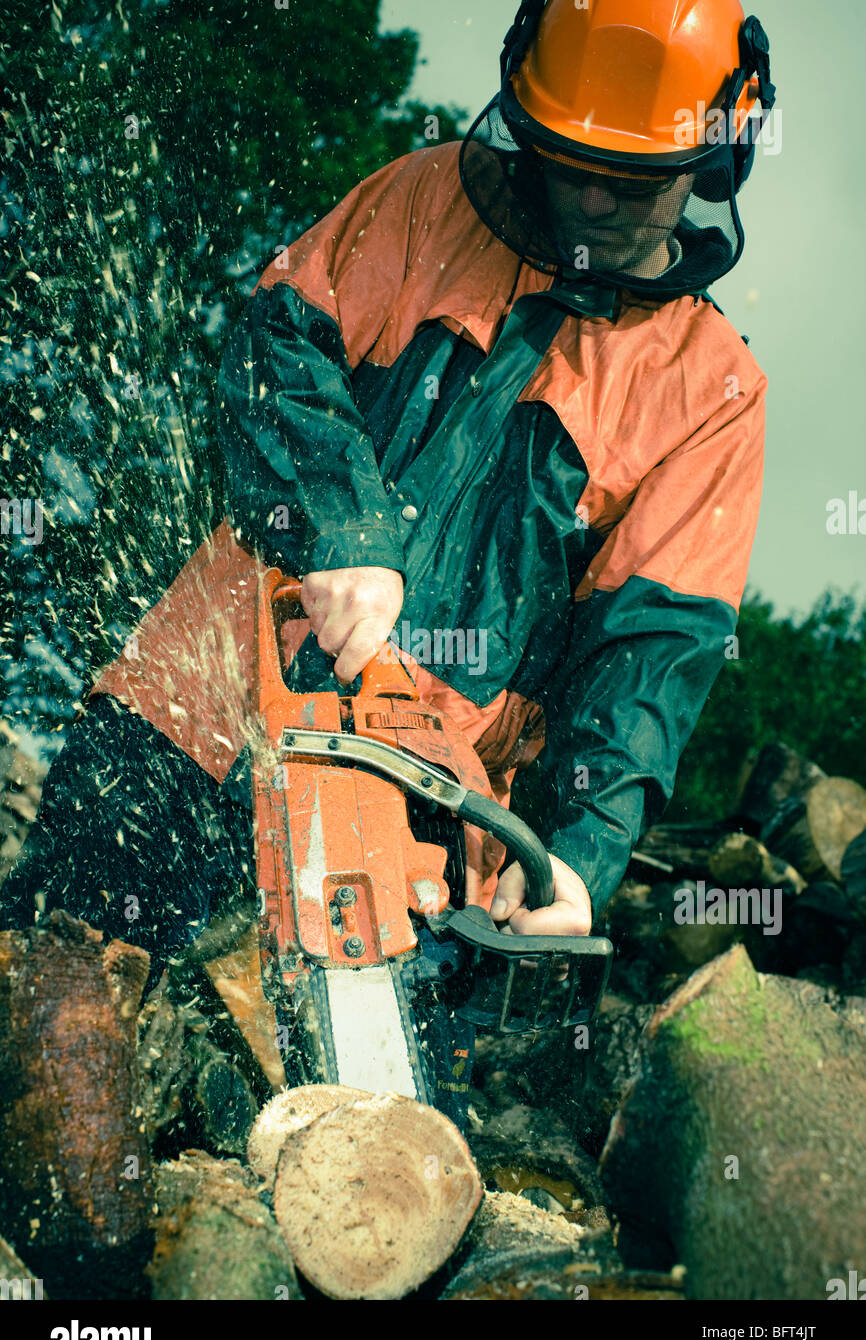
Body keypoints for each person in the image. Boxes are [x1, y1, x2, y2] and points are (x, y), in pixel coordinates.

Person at [1, 0, 775, 977]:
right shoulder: (429, 200)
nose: (589, 205)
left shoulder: (711, 392)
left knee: (327, 1112)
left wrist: (580, 853)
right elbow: (272, 343)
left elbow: (646, 660)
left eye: (628, 183)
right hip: (197, 697)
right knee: (54, 993)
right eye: (569, 165)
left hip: (419, 791)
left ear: (713, 158)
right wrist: (344, 530)